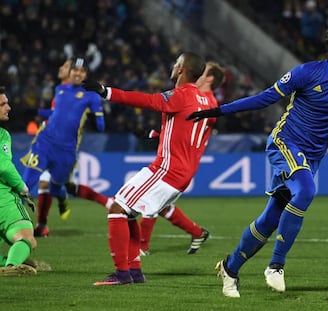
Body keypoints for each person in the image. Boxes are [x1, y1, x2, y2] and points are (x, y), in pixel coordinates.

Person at [186, 21, 328, 297]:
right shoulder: (307, 72)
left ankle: (230, 268)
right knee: (306, 190)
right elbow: (265, 98)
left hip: (312, 156)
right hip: (285, 142)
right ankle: (276, 265)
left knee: (271, 218)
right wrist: (218, 111)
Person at [83, 51, 218, 286]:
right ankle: (134, 271)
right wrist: (161, 135)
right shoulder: (204, 99)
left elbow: (147, 101)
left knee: (117, 208)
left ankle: (122, 274)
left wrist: (107, 92)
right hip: (181, 172)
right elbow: (190, 133)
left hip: (167, 169)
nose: (173, 65)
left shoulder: (181, 94)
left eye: (177, 63)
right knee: (128, 212)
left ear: (182, 70)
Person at [138, 61, 226, 255]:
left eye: (203, 72)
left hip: (181, 163)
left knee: (150, 199)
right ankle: (197, 232)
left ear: (210, 78)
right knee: (160, 203)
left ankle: (141, 246)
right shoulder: (200, 98)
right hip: (178, 159)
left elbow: (188, 135)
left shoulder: (208, 104)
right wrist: (159, 136)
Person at [21, 57, 105, 237]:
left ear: (86, 75)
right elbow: (57, 113)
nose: (76, 72)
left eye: (81, 71)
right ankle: (16, 223)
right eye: (74, 69)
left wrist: (96, 117)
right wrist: (36, 112)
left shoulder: (90, 95)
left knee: (56, 186)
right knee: (26, 184)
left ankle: (61, 200)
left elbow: (100, 126)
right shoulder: (59, 90)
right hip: (44, 142)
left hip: (66, 151)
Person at [0, 86, 38, 276]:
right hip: (2, 199)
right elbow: (4, 166)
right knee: (27, 238)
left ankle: (5, 260)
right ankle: (10, 266)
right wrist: (22, 188)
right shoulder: (1, 134)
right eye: (3, 104)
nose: (8, 107)